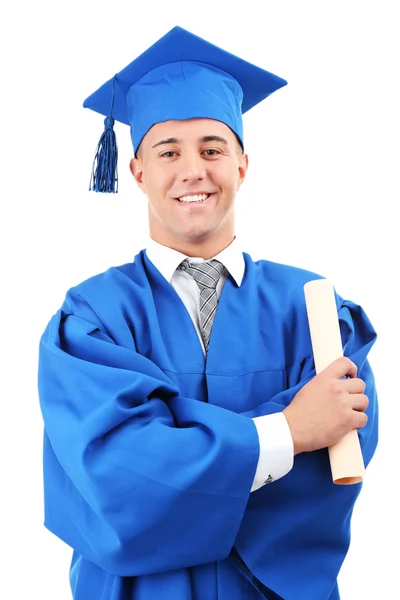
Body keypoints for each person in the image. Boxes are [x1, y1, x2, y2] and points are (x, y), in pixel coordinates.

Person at [37, 25, 378, 600]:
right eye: (168, 151)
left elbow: (336, 468)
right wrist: (288, 431)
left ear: (242, 165)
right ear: (138, 171)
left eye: (212, 149)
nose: (193, 170)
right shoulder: (91, 317)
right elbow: (115, 476)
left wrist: (181, 460)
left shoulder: (316, 310)